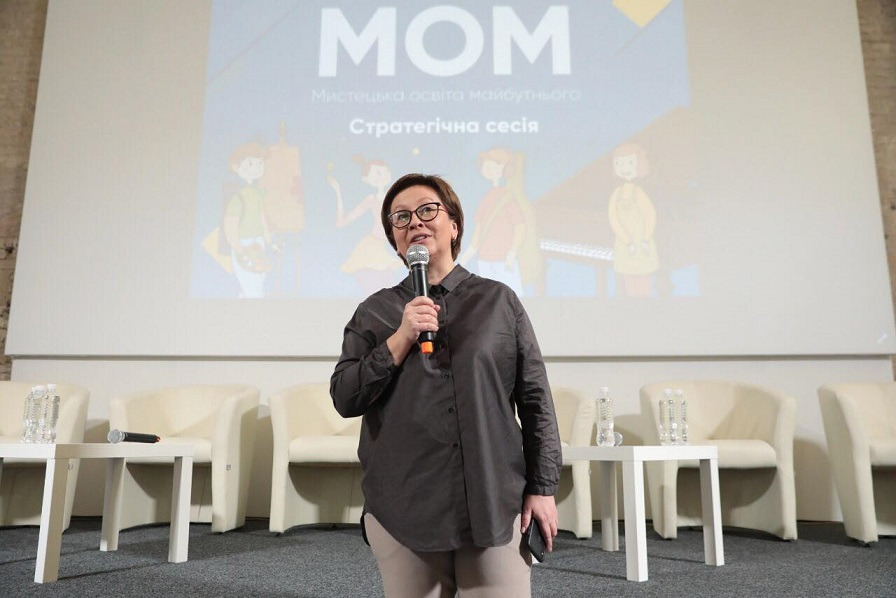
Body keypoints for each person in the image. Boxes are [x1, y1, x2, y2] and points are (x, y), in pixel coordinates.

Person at [330, 173, 562, 598]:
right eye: (401, 217)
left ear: (454, 226)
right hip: (404, 505)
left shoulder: (499, 301)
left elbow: (535, 400)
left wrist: (543, 488)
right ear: (395, 242)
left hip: (493, 500)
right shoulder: (375, 311)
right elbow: (345, 397)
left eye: (427, 210)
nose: (415, 221)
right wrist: (400, 339)